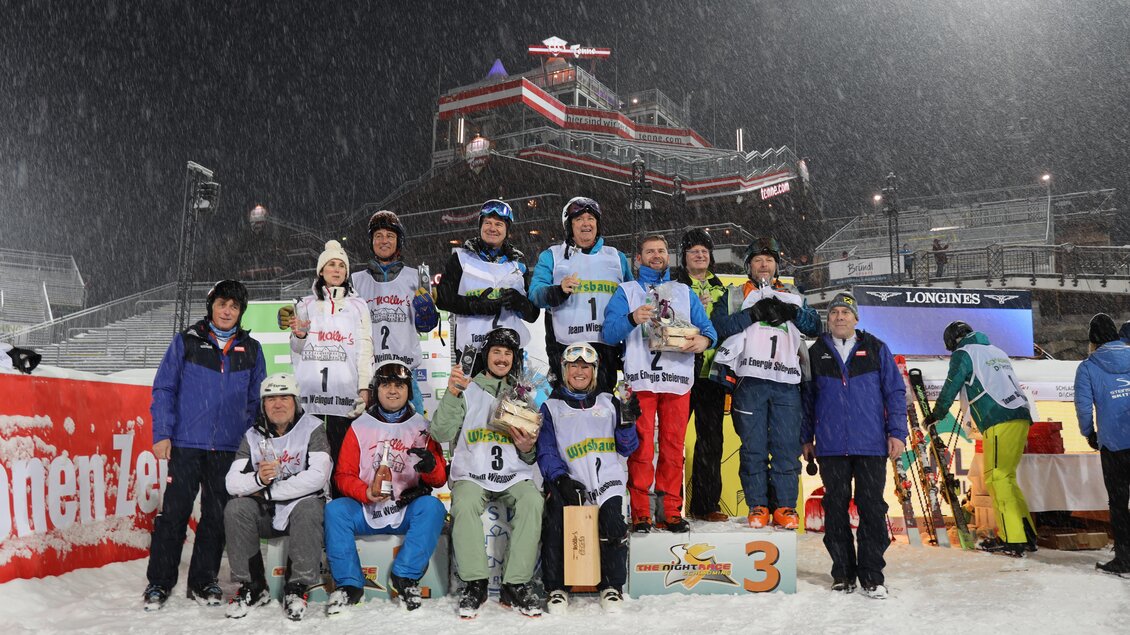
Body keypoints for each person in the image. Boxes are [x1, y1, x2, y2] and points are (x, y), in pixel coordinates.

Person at [143, 280, 267, 611]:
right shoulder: (187, 342)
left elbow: (256, 402)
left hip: (229, 448)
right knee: (175, 513)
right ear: (211, 306)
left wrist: (251, 445)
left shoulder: (252, 349)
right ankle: (159, 581)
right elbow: (164, 389)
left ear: (241, 312)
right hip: (185, 443)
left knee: (216, 515)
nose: (227, 311)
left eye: (234, 306)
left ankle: (204, 580)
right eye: (222, 304)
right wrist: (162, 433)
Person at [603, 235, 716, 533]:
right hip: (640, 379)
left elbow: (708, 329)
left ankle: (670, 510)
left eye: (662, 251)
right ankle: (641, 511)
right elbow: (609, 334)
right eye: (650, 251)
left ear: (669, 256)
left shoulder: (683, 291)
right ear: (638, 259)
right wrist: (632, 318)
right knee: (640, 449)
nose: (657, 256)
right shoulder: (626, 291)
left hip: (677, 380)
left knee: (672, 447)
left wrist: (703, 340)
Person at [431, 327, 544, 618]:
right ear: (486, 356)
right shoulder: (467, 388)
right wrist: (453, 391)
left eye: (508, 353)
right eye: (497, 352)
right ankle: (475, 582)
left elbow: (528, 454)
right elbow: (441, 431)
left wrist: (528, 446)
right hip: (473, 472)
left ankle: (515, 584)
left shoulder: (522, 395)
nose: (502, 358)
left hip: (512, 474)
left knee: (532, 500)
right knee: (465, 502)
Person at [710, 237, 821, 529]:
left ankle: (785, 506)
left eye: (769, 260)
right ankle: (757, 505)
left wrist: (792, 312)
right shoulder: (735, 295)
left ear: (776, 266)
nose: (764, 264)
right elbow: (719, 327)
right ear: (748, 266)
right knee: (753, 447)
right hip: (750, 382)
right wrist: (752, 314)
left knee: (786, 447)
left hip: (787, 383)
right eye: (758, 260)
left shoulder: (794, 293)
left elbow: (814, 326)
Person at [801, 292, 907, 599]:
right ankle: (843, 574)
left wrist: (897, 433)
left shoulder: (876, 348)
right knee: (835, 509)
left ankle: (872, 575)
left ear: (856, 318)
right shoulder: (815, 351)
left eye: (845, 312)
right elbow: (807, 400)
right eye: (834, 312)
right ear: (828, 319)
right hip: (831, 447)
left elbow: (895, 393)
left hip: (871, 445)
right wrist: (806, 438)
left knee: (872, 509)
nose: (839, 317)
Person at [323, 361, 448, 614]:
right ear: (376, 390)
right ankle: (349, 584)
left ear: (408, 390)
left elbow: (439, 481)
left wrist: (431, 466)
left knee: (433, 507)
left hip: (405, 507)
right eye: (386, 385)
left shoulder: (422, 426)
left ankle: (405, 577)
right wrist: (365, 493)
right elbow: (342, 475)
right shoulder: (359, 426)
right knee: (335, 510)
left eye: (400, 385)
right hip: (366, 508)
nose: (393, 391)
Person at [536, 342, 638, 613]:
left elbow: (627, 447)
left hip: (607, 477)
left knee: (614, 522)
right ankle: (556, 587)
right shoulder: (551, 406)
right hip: (570, 478)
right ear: (564, 369)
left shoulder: (610, 401)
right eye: (573, 366)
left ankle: (611, 586)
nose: (579, 371)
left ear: (594, 371)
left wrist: (628, 422)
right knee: (556, 520)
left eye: (585, 366)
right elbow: (545, 450)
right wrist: (560, 479)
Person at [223, 373, 331, 620]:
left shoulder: (313, 428)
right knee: (236, 507)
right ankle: (253, 586)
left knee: (309, 507)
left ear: (296, 401)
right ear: (263, 405)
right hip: (266, 512)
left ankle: (297, 588)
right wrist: (258, 480)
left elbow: (317, 477)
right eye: (271, 399)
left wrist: (269, 491)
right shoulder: (252, 435)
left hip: (302, 509)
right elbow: (232, 483)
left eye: (284, 397)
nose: (278, 404)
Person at [925, 321, 1035, 556]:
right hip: (1021, 415)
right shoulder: (996, 350)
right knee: (1007, 477)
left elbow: (951, 385)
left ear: (952, 341)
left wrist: (936, 414)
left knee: (996, 478)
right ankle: (1026, 533)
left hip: (997, 417)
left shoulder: (964, 353)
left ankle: (1013, 539)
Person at [528, 196, 633, 391]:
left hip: (606, 348)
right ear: (569, 226)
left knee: (602, 408)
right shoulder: (552, 255)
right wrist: (558, 291)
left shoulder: (616, 257)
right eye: (579, 219)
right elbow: (535, 295)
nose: (586, 223)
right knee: (567, 408)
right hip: (565, 347)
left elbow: (632, 299)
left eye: (591, 219)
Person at [290, 239, 374, 468]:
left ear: (346, 272)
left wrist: (364, 387)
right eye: (331, 264)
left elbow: (365, 348)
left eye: (341, 265)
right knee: (311, 455)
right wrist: (298, 336)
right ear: (321, 270)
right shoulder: (305, 304)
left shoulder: (358, 305)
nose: (336, 269)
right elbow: (297, 351)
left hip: (344, 393)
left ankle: (338, 501)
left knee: (341, 458)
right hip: (312, 393)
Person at [351, 210, 439, 416]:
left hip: (405, 373)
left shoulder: (415, 277)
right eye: (378, 236)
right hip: (367, 375)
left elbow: (426, 326)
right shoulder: (355, 281)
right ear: (371, 241)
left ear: (398, 242)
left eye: (390, 236)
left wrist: (427, 313)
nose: (384, 241)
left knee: (414, 436)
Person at [673, 228, 729, 522]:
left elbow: (730, 329)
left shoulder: (724, 290)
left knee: (711, 439)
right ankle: (671, 506)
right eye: (693, 251)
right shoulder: (673, 287)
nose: (700, 255)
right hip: (679, 371)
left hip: (713, 373)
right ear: (684, 258)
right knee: (673, 439)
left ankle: (705, 505)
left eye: (705, 251)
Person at [435, 199, 539, 357]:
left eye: (499, 224)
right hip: (471, 349)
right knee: (469, 383)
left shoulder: (518, 266)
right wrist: (477, 305)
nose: (492, 228)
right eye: (488, 223)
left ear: (506, 230)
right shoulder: (460, 259)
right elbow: (443, 299)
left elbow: (532, 315)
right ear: (480, 227)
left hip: (508, 352)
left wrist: (521, 303)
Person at [1073, 314, 1130, 576]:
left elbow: (1084, 407)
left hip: (1114, 443)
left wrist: (1090, 434)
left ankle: (1124, 558)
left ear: (1093, 340)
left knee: (1119, 502)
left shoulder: (1088, 367)